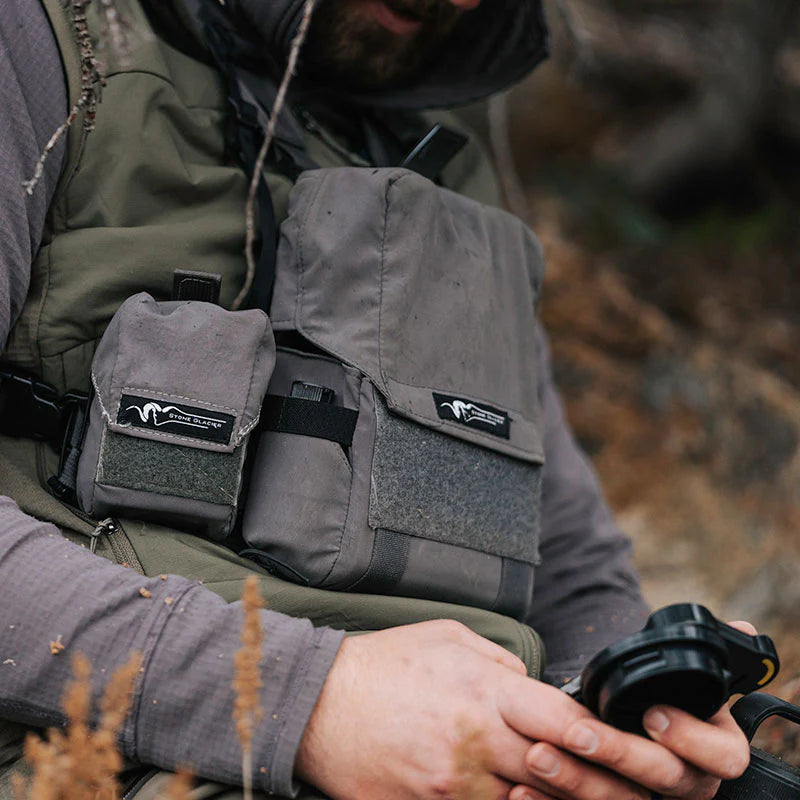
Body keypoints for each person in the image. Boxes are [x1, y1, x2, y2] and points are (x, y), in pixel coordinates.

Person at [0, 0, 753, 798]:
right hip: (95, 755)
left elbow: (569, 568)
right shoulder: (43, 40)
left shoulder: (449, 153)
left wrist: (614, 727)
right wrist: (310, 699)